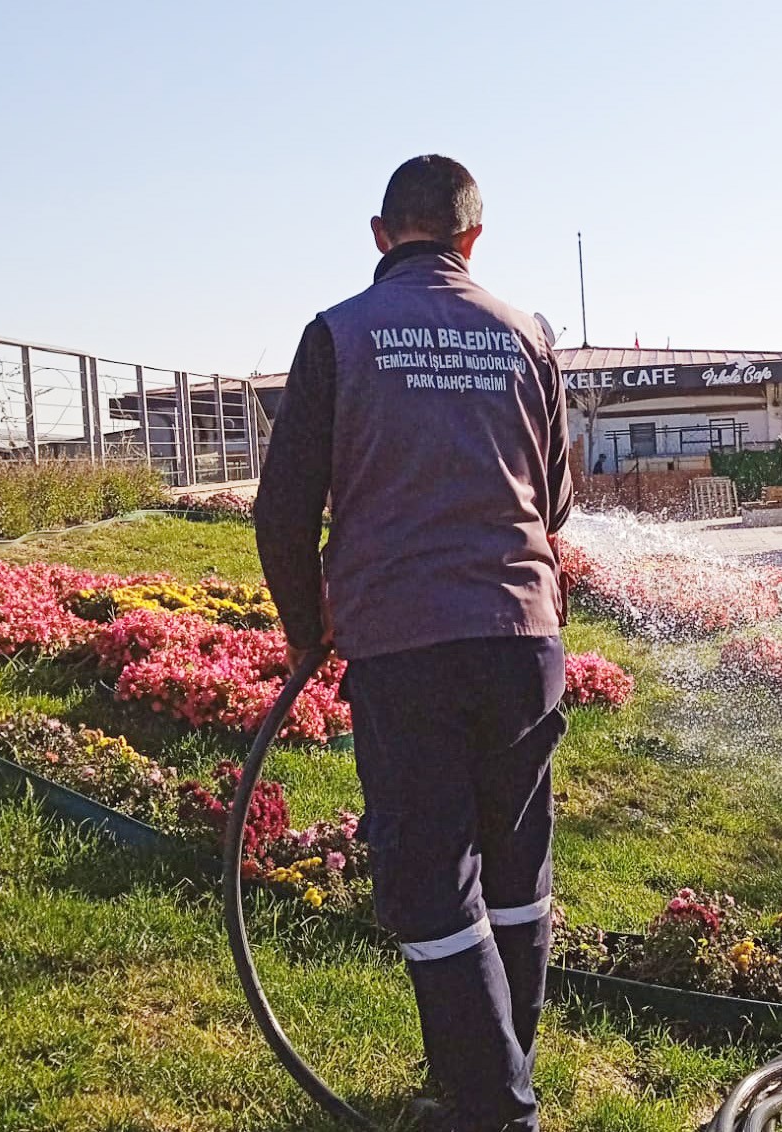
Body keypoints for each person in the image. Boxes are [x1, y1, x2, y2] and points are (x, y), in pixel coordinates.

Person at [254, 155, 572, 1132]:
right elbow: (555, 502)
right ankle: (486, 1077)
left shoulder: (338, 335)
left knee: (431, 879)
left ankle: (492, 1105)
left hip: (405, 644)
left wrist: (314, 634)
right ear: (473, 239)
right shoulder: (528, 335)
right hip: (523, 638)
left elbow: (281, 512)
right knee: (516, 871)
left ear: (381, 234)